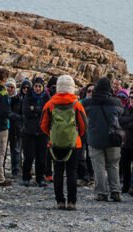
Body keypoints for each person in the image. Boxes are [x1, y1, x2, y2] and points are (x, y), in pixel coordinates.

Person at [41, 74, 88, 210]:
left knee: (58, 172)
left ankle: (60, 201)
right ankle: (72, 202)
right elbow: (84, 125)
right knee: (72, 172)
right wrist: (77, 135)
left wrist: (52, 135)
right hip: (74, 144)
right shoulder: (76, 104)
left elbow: (43, 125)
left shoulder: (50, 104)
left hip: (55, 144)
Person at [82, 77, 124, 202]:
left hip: (95, 138)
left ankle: (101, 192)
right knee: (113, 165)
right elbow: (121, 115)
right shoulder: (116, 102)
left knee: (98, 166)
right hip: (113, 138)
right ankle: (115, 191)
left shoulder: (88, 103)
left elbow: (81, 115)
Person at [20, 77, 48, 187]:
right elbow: (26, 112)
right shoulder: (28, 97)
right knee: (29, 156)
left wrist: (35, 109)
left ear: (43, 87)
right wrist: (39, 110)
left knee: (41, 157)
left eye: (39, 86)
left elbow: (47, 112)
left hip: (42, 132)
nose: (37, 88)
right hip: (29, 132)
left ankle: (40, 178)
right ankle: (26, 177)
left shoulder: (46, 97)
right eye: (36, 86)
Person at [77, 83, 95, 185]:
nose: (91, 93)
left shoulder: (98, 104)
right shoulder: (80, 103)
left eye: (93, 91)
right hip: (81, 132)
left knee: (91, 156)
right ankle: (83, 176)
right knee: (80, 155)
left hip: (93, 133)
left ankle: (91, 176)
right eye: (89, 91)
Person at [6, 78, 23, 178]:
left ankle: (16, 171)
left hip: (16, 128)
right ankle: (1, 170)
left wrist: (12, 116)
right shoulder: (3, 98)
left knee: (16, 150)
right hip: (3, 128)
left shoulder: (19, 99)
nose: (10, 89)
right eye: (8, 87)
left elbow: (22, 115)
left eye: (12, 87)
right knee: (2, 151)